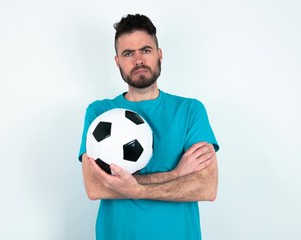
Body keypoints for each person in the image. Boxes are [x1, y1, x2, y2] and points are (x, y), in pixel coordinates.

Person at [78, 13, 219, 240]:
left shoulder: (190, 110)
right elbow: (95, 187)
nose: (138, 60)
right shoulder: (99, 112)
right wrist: (177, 174)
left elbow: (206, 187)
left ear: (159, 55)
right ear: (117, 62)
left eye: (145, 50)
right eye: (128, 53)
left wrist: (137, 189)